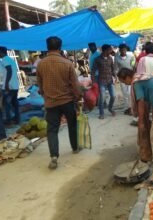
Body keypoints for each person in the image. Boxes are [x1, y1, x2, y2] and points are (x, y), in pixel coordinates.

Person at [36, 36, 82, 170]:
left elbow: (40, 84)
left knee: (52, 130)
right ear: (60, 47)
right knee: (72, 125)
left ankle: (54, 156)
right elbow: (75, 84)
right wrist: (78, 96)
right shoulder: (67, 63)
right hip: (67, 101)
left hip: (51, 102)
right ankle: (75, 148)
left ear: (47, 47)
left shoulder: (41, 63)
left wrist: (45, 95)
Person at [117, 67, 153, 166]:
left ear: (127, 77)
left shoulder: (137, 83)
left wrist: (141, 122)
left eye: (123, 81)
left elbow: (141, 102)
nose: (124, 83)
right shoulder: (141, 76)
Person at [0, 46, 20, 126]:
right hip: (14, 85)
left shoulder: (5, 60)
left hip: (9, 86)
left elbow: (9, 70)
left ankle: (8, 120)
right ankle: (17, 119)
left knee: (7, 104)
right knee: (14, 103)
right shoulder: (10, 59)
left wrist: (6, 83)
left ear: (0, 52)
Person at [92, 44, 116, 119]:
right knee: (102, 97)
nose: (111, 51)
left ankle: (110, 108)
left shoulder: (110, 58)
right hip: (101, 80)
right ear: (105, 50)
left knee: (113, 96)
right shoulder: (97, 59)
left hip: (109, 80)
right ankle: (101, 113)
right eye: (110, 50)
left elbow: (112, 68)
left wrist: (115, 75)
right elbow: (93, 71)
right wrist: (93, 81)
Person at [114, 43, 135, 115]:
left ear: (126, 50)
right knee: (125, 93)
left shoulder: (131, 56)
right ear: (120, 50)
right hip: (122, 78)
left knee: (130, 92)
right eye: (122, 50)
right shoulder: (117, 58)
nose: (123, 51)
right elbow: (116, 68)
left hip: (130, 77)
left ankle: (132, 107)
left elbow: (133, 65)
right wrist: (117, 76)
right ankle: (127, 107)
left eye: (124, 49)